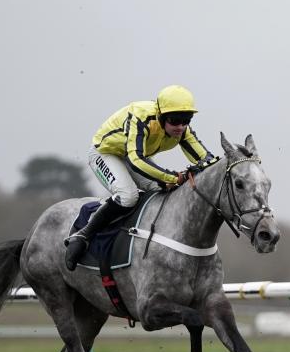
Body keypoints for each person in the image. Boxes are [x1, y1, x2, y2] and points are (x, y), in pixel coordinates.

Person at [63, 85, 218, 270]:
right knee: (128, 196)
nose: (180, 127)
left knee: (162, 191)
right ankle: (83, 235)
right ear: (161, 115)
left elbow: (206, 160)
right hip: (106, 153)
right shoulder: (142, 117)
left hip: (133, 155)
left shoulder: (182, 129)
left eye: (186, 120)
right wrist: (172, 177)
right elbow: (135, 160)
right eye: (175, 120)